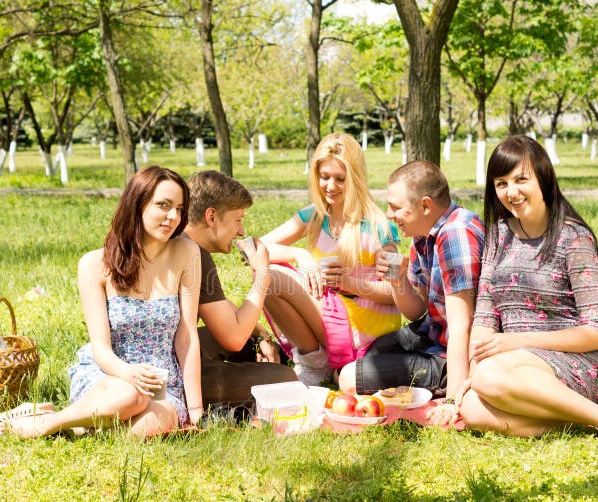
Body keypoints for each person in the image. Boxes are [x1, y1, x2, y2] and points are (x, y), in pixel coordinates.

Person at [450, 135, 598, 436]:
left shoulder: (572, 238)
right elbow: (486, 318)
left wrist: (515, 343)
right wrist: (474, 370)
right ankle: (597, 417)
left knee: (488, 379)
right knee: (473, 408)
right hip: (511, 368)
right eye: (501, 183)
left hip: (574, 365)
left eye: (521, 180)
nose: (511, 192)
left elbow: (597, 332)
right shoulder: (498, 235)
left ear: (543, 177)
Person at [0, 166, 203, 440]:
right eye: (163, 205)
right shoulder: (94, 264)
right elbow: (101, 348)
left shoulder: (187, 253)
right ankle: (43, 425)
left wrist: (196, 410)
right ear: (137, 204)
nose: (173, 217)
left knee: (143, 430)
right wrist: (128, 373)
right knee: (130, 396)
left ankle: (74, 427)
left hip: (162, 382)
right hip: (109, 375)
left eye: (180, 209)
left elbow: (187, 336)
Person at [338, 160, 485, 426]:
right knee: (369, 358)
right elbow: (416, 310)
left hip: (452, 351)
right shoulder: (422, 232)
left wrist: (453, 402)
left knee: (350, 379)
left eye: (395, 207)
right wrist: (397, 281)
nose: (389, 214)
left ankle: (448, 388)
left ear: (425, 205)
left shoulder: (455, 235)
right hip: (431, 333)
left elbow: (462, 326)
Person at [261, 133, 401, 386]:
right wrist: (299, 254)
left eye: (340, 179)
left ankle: (320, 365)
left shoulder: (379, 226)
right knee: (266, 273)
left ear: (355, 179)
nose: (330, 186)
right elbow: (252, 249)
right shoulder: (315, 216)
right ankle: (317, 364)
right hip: (330, 313)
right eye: (324, 177)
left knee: (271, 277)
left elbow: (396, 293)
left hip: (367, 330)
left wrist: (350, 283)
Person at [183, 170, 297, 408]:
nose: (242, 231)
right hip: (175, 369)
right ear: (211, 216)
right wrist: (262, 276)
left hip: (168, 348)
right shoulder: (195, 256)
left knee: (251, 343)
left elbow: (216, 308)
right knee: (286, 380)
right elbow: (233, 338)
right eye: (237, 220)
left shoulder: (181, 241)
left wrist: (260, 334)